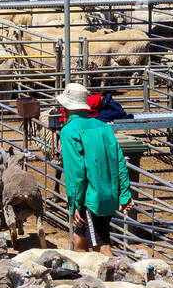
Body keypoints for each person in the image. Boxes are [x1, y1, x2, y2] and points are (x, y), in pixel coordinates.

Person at [56, 82, 134, 256]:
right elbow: (119, 161)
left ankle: (115, 280)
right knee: (79, 240)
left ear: (66, 106)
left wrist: (74, 204)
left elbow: (76, 172)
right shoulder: (104, 127)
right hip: (108, 194)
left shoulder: (69, 131)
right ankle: (84, 278)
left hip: (91, 199)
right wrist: (124, 193)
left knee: (102, 247)